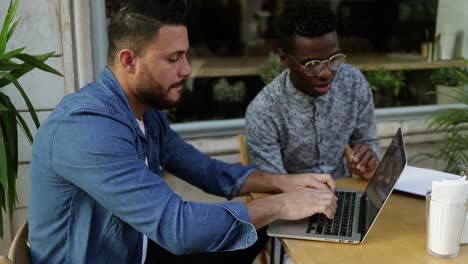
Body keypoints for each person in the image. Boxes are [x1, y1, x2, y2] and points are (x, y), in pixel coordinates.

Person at [28, 1, 338, 263]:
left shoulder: (145, 114)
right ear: (128, 60)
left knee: (259, 229)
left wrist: (283, 183)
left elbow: (207, 171)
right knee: (267, 219)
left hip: (141, 248)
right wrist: (282, 203)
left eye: (185, 55)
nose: (187, 69)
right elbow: (179, 229)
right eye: (173, 58)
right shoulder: (87, 128)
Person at [246, 0, 381, 181]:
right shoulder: (264, 111)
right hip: (293, 200)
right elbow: (274, 185)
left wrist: (369, 161)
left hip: (343, 189)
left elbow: (368, 142)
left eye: (334, 59)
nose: (326, 73)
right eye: (312, 65)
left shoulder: (353, 83)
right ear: (284, 59)